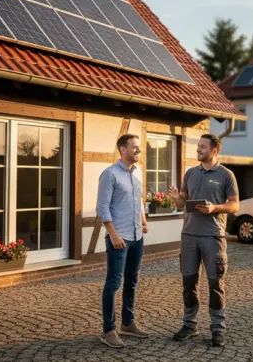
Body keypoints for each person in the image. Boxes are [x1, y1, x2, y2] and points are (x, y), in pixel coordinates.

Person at [168, 133, 239, 347]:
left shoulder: (226, 175)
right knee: (188, 283)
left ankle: (218, 328)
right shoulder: (190, 173)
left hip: (213, 237)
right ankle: (190, 325)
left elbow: (235, 206)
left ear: (215, 151)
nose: (198, 149)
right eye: (198, 146)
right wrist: (176, 199)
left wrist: (215, 208)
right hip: (189, 235)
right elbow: (182, 202)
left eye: (203, 147)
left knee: (216, 283)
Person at [96, 133, 149, 348]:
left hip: (137, 236)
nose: (138, 151)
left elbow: (139, 200)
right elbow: (102, 207)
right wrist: (113, 234)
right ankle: (108, 330)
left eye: (139, 147)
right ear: (123, 150)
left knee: (132, 281)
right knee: (114, 283)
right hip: (120, 238)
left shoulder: (138, 174)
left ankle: (128, 323)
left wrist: (143, 221)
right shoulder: (109, 174)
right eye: (134, 147)